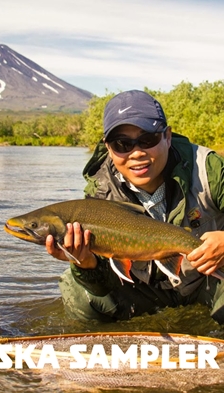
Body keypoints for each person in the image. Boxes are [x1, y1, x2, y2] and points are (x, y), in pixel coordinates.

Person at [46, 90, 224, 324]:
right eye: (122, 144)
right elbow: (103, 285)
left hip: (206, 282)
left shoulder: (208, 169)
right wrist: (86, 264)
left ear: (167, 137)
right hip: (143, 290)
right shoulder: (99, 194)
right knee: (77, 289)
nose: (137, 153)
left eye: (148, 139)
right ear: (108, 147)